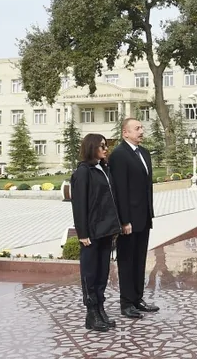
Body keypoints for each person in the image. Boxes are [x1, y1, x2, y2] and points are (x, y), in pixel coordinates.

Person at [70, 133, 121, 332]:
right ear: (92, 147)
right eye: (101, 146)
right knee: (90, 273)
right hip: (91, 232)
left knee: (102, 272)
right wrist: (82, 233)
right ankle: (91, 313)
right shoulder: (83, 172)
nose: (105, 149)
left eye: (106, 145)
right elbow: (79, 205)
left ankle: (100, 308)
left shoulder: (104, 169)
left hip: (106, 230)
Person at [109, 117, 159, 319]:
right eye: (137, 128)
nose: (141, 131)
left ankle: (138, 298)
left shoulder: (144, 153)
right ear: (125, 133)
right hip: (128, 220)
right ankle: (126, 303)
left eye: (141, 127)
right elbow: (120, 190)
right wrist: (124, 220)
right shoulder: (119, 155)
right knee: (127, 260)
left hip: (144, 216)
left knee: (140, 260)